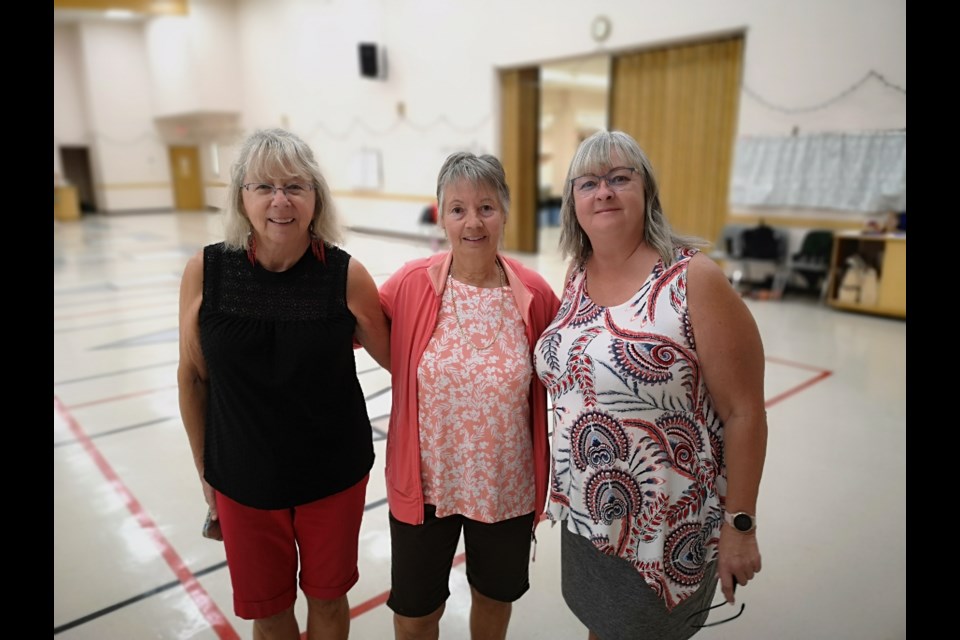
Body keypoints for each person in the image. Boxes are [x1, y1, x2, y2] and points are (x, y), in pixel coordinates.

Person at [533, 130, 767, 640]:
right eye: (589, 182)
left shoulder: (693, 279)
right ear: (572, 202)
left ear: (647, 193)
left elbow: (745, 412)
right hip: (589, 518)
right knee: (601, 625)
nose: (604, 192)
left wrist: (740, 525)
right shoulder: (576, 277)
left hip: (664, 527)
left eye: (621, 178)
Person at [177, 128, 390, 640]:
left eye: (295, 186)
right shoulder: (206, 272)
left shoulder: (345, 276)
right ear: (241, 198)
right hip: (242, 477)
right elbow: (192, 375)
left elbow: (403, 363)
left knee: (327, 598)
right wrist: (206, 471)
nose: (280, 200)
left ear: (315, 197)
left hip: (332, 475)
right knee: (269, 613)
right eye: (263, 187)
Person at [379, 151, 560, 640]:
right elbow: (354, 323)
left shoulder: (536, 295)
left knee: (492, 603)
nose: (472, 221)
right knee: (415, 617)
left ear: (504, 212)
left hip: (505, 486)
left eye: (486, 207)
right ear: (441, 216)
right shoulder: (413, 284)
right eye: (457, 208)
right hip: (428, 485)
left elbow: (568, 368)